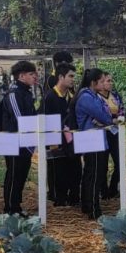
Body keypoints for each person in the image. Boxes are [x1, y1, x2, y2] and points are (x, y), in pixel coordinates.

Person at [0, 61, 38, 216]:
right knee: (14, 173)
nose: (35, 76)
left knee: (22, 173)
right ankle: (10, 208)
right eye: (31, 74)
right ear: (21, 76)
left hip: (26, 141)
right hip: (15, 141)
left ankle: (17, 206)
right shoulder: (14, 94)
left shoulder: (26, 92)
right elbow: (19, 117)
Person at [76, 69, 114, 219]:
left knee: (92, 173)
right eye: (102, 80)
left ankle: (88, 205)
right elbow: (105, 116)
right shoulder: (86, 97)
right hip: (92, 140)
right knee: (94, 174)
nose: (105, 83)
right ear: (94, 83)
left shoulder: (92, 96)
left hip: (96, 139)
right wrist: (105, 118)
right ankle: (93, 208)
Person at [41, 63, 79, 206]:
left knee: (74, 170)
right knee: (58, 172)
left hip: (71, 141)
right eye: (70, 76)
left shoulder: (71, 96)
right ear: (60, 77)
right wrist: (52, 143)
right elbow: (45, 119)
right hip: (55, 141)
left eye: (73, 76)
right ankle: (59, 199)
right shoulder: (50, 97)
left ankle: (73, 197)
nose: (72, 79)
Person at [98, 75, 125, 199]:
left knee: (119, 162)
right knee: (102, 165)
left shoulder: (115, 96)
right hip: (102, 133)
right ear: (101, 82)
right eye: (108, 81)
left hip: (115, 132)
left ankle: (113, 188)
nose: (111, 83)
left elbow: (122, 110)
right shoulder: (96, 97)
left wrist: (120, 118)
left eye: (111, 80)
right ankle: (103, 191)